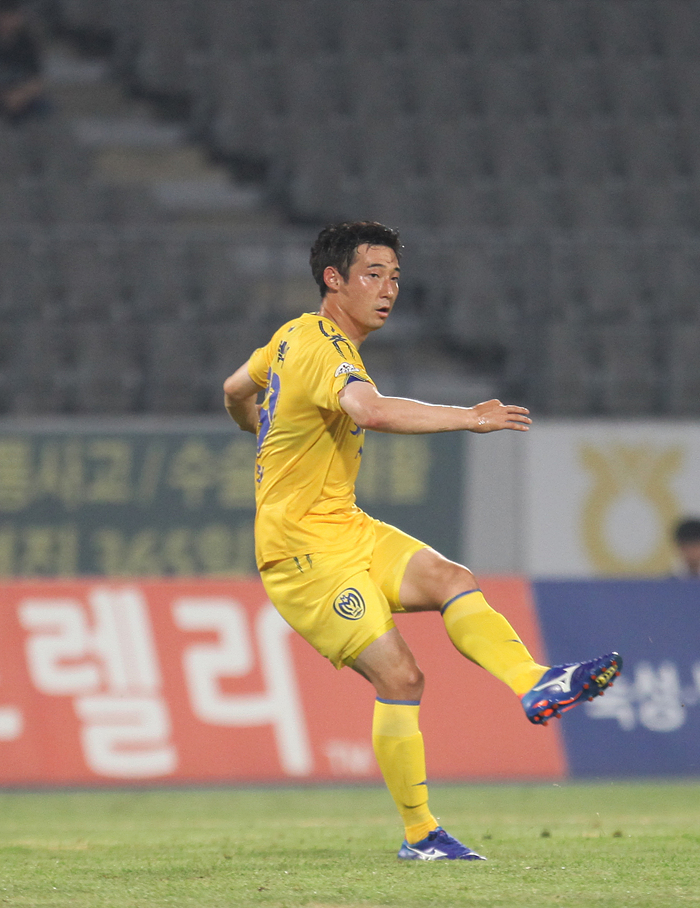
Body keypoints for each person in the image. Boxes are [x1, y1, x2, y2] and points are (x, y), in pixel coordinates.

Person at [223, 222, 622, 861]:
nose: (388, 290)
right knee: (402, 677)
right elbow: (371, 411)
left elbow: (234, 389)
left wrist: (259, 428)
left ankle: (535, 683)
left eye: (395, 277)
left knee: (452, 579)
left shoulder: (290, 335)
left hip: (345, 526)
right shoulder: (325, 349)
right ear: (333, 279)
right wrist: (471, 417)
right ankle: (421, 835)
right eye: (373, 275)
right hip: (302, 555)